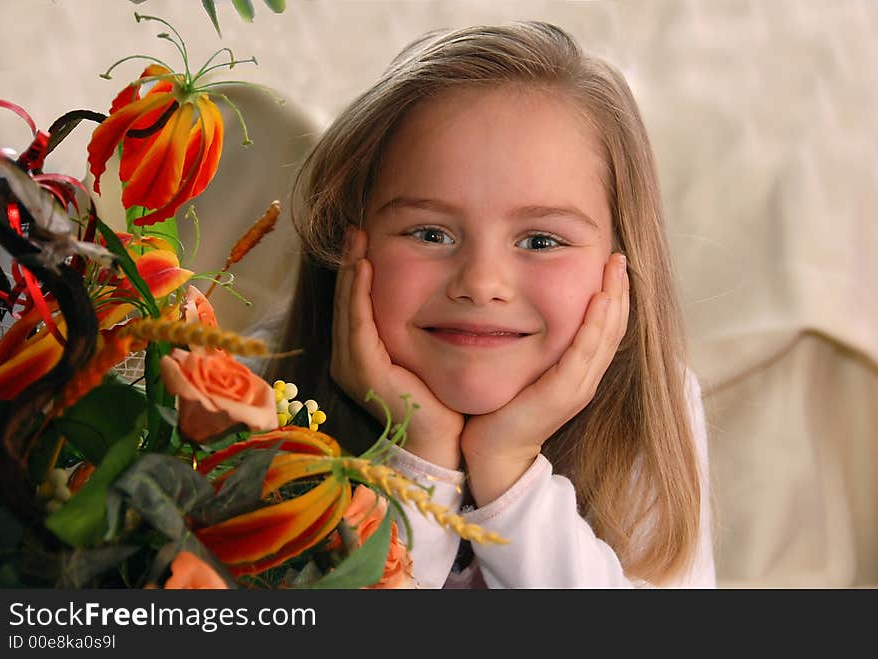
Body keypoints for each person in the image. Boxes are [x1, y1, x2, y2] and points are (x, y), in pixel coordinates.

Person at [266, 21, 715, 588]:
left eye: (540, 241)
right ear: (347, 243)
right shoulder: (251, 401)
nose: (481, 284)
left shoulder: (654, 406)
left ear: (618, 265)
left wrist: (508, 468)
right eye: (430, 234)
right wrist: (419, 460)